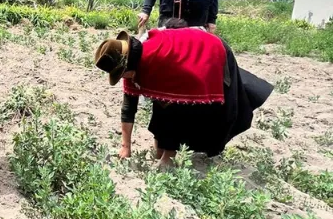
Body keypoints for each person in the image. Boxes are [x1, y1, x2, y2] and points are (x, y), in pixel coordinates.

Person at [94, 21, 273, 167]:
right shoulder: (132, 63)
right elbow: (128, 107)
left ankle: (172, 154)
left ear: (127, 68)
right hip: (184, 53)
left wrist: (167, 156)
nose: (122, 78)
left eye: (120, 74)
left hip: (210, 52)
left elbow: (176, 112)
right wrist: (126, 147)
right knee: (164, 109)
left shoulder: (160, 64)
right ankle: (163, 150)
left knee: (202, 106)